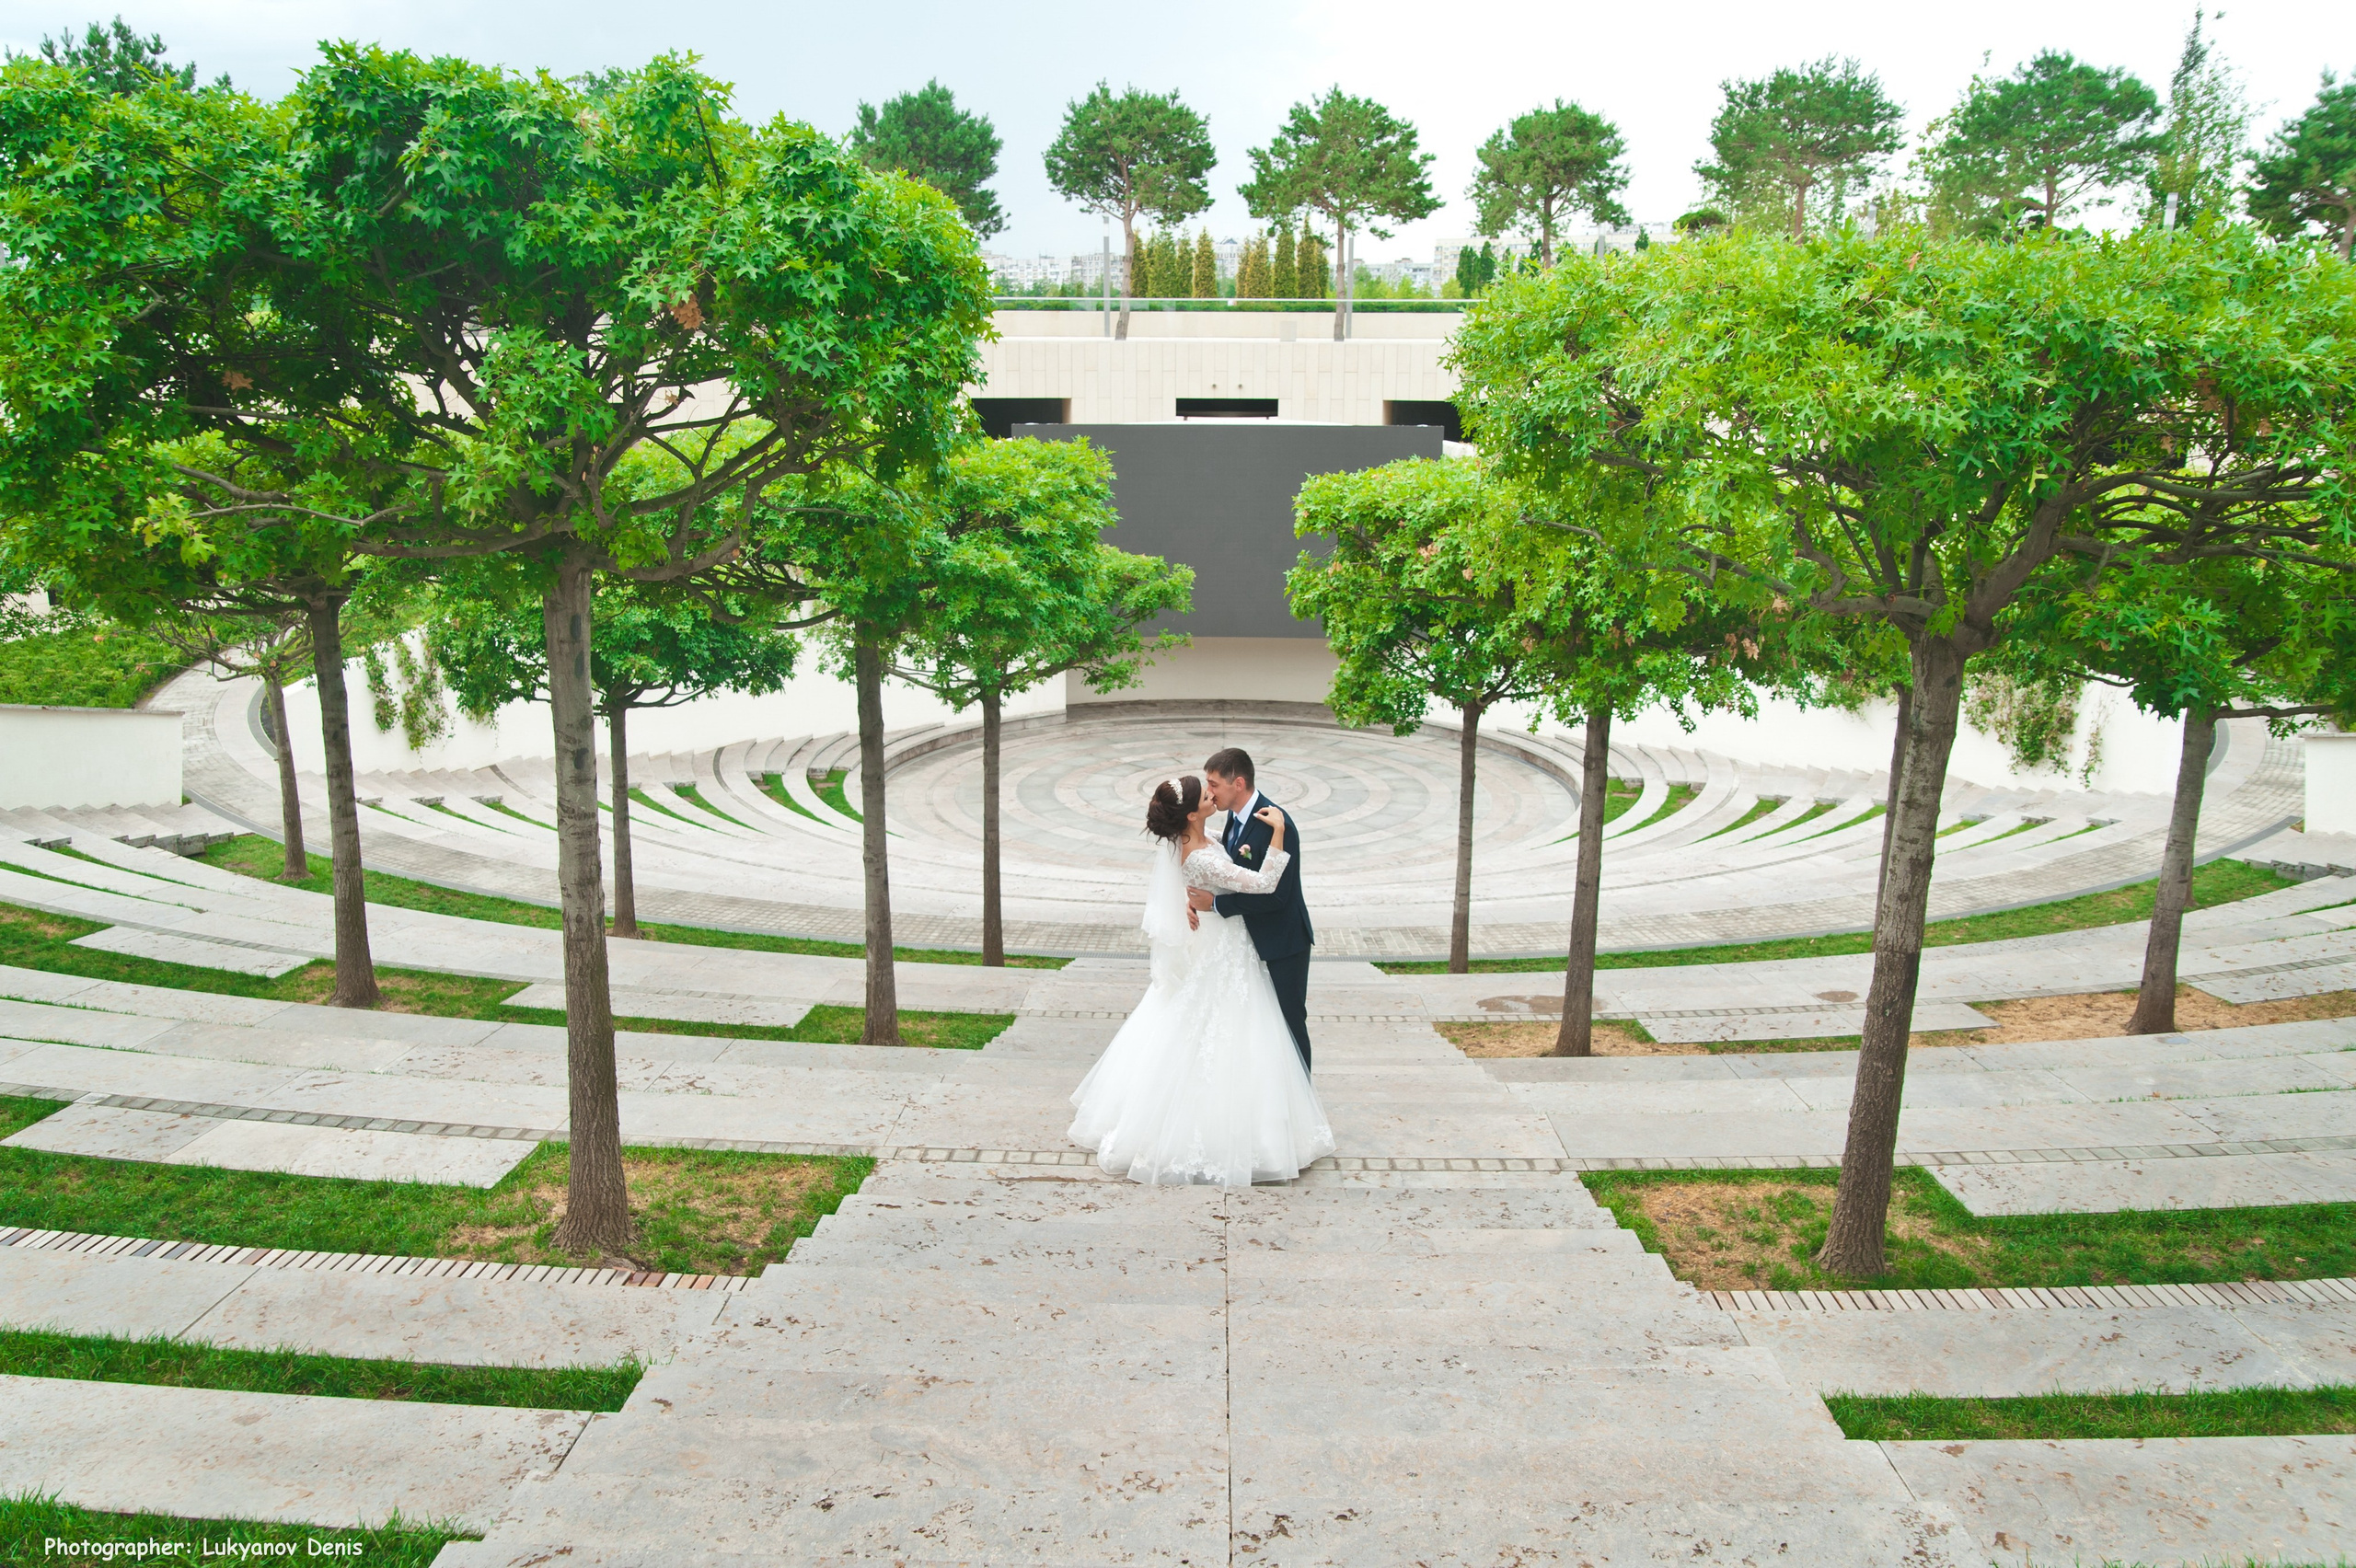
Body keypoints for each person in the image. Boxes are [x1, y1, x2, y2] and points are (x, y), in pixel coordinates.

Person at [1068, 773, 1334, 1187]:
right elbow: (1264, 883)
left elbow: (1185, 883)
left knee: (1224, 1027)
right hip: (1225, 950)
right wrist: (1279, 832)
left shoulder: (1201, 839)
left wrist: (1189, 904)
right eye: (1205, 794)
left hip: (1224, 941)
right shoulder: (1200, 854)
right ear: (1191, 814)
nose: (1213, 795)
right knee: (1226, 1029)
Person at [1192, 747, 1314, 1071]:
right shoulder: (1233, 817)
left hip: (1282, 943)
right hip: (1248, 941)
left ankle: (1303, 1099)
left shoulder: (1276, 824)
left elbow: (1277, 896)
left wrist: (1216, 904)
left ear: (1239, 784)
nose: (1209, 792)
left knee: (1289, 1023)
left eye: (1214, 784)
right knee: (1263, 1028)